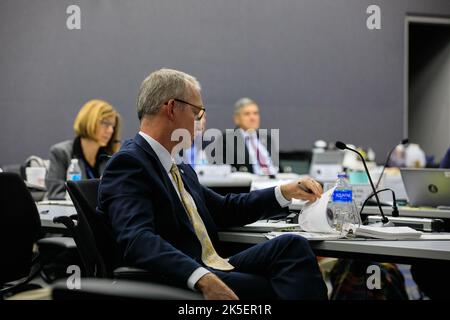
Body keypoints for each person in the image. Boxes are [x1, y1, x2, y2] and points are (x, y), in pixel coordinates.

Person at [98, 68, 328, 300]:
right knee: (279, 287)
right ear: (171, 109)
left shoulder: (178, 167)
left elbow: (225, 209)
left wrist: (284, 192)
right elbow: (137, 239)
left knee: (292, 247)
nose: (199, 121)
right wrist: (201, 277)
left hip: (213, 264)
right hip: (180, 276)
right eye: (196, 112)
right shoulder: (129, 163)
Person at [46, 99, 122, 199]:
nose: (110, 130)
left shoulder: (110, 157)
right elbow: (55, 194)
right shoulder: (61, 153)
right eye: (105, 123)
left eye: (113, 126)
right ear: (88, 121)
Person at [222, 97, 279, 175]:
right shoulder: (226, 140)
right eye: (247, 114)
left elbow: (279, 168)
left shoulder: (267, 139)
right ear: (237, 118)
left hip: (275, 182)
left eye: (255, 113)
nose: (252, 118)